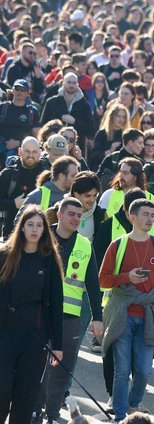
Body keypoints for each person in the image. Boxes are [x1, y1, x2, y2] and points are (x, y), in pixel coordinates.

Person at [98, 199, 154, 421]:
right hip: (122, 313)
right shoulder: (118, 245)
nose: (150, 219)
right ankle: (121, 416)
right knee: (121, 369)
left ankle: (132, 404)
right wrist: (126, 278)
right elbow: (102, 279)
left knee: (143, 369)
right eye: (145, 214)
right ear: (132, 217)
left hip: (148, 315)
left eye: (153, 215)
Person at [33, 197, 103, 423]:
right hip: (40, 314)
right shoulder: (41, 237)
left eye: (79, 215)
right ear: (60, 214)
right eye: (71, 214)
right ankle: (35, 409)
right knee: (36, 364)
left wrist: (98, 318)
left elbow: (93, 284)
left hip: (69, 317)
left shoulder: (85, 245)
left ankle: (52, 415)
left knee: (60, 369)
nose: (76, 218)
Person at [0, 206, 63, 424]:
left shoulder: (49, 260)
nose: (35, 230)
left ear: (45, 230)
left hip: (35, 336)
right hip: (5, 335)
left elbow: (56, 303)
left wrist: (58, 344)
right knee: (2, 390)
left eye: (39, 225)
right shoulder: (5, 256)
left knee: (25, 396)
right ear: (22, 227)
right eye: (30, 224)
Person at [0, 136, 45, 238]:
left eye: (34, 152)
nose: (30, 155)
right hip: (11, 234)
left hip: (39, 236)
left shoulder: (47, 175)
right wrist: (13, 204)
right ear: (20, 151)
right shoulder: (8, 174)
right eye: (27, 151)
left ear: (40, 152)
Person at [15, 155, 80, 221]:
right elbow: (18, 222)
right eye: (73, 176)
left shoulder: (77, 195)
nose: (77, 179)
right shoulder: (37, 196)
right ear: (61, 176)